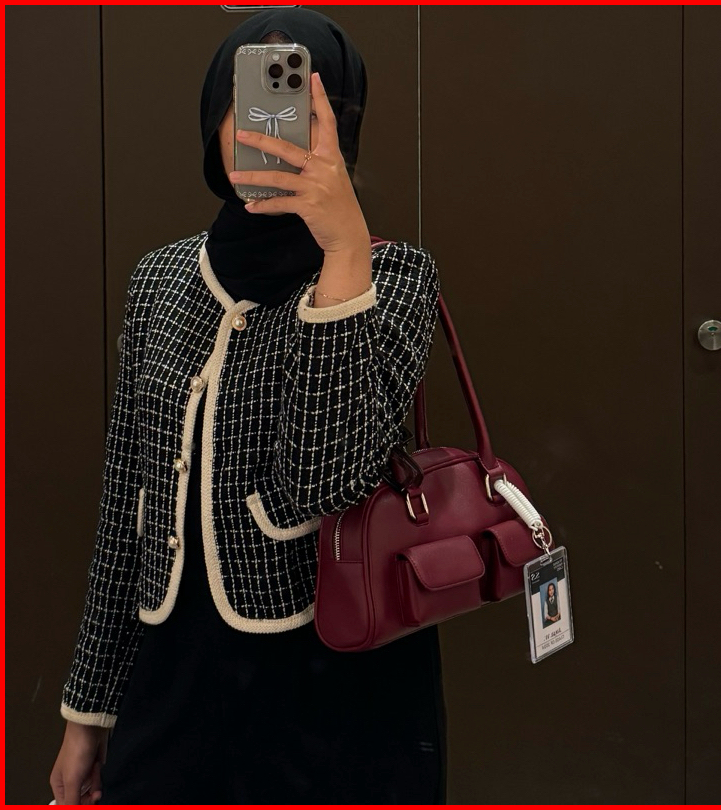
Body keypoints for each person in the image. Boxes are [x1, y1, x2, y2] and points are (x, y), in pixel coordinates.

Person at [49, 8, 447, 805]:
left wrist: (343, 253)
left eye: (301, 108)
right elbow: (125, 505)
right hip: (175, 688)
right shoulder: (159, 282)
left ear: (342, 129)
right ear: (214, 117)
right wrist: (87, 715)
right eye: (251, 102)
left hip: (341, 701)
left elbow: (324, 480)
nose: (270, 130)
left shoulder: (395, 280)